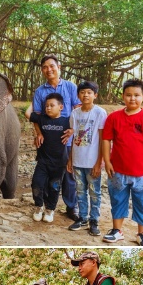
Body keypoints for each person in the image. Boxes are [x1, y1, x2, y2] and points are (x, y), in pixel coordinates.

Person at [101, 78, 143, 246]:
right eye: (128, 95)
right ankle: (117, 230)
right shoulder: (113, 118)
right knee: (117, 199)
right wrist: (107, 161)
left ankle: (142, 234)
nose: (132, 98)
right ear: (123, 96)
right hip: (118, 170)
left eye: (136, 95)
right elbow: (106, 140)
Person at [26, 55, 80, 221]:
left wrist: (73, 129)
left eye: (52, 66)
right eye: (45, 67)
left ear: (59, 67)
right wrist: (39, 133)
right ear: (42, 70)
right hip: (47, 139)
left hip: (67, 138)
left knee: (69, 174)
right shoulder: (40, 91)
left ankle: (72, 207)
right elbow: (36, 115)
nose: (49, 70)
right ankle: (48, 207)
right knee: (47, 174)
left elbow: (78, 110)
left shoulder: (71, 86)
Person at [67, 81, 107, 235]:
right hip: (77, 161)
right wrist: (70, 160)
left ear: (95, 95)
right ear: (78, 95)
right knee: (80, 191)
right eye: (82, 92)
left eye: (89, 92)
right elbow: (73, 138)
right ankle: (82, 218)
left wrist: (99, 162)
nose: (85, 95)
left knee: (94, 192)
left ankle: (94, 220)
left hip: (92, 162)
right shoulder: (75, 114)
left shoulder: (100, 113)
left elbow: (103, 139)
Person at [29, 93, 70, 224]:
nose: (48, 108)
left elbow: (80, 123)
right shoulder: (42, 119)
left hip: (59, 163)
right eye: (46, 106)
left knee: (54, 187)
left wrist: (73, 131)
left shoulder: (66, 121)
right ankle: (39, 207)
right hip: (43, 161)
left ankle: (50, 210)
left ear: (61, 107)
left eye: (52, 105)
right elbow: (28, 113)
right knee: (36, 183)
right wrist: (35, 101)